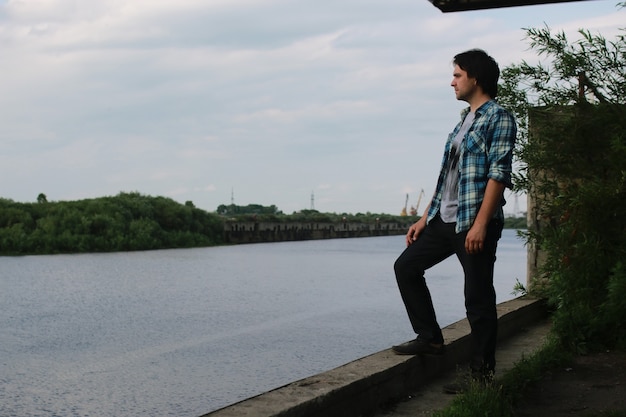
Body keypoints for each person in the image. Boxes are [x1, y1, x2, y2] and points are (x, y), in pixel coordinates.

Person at [392, 49, 517, 388]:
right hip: (443, 221)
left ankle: (481, 375)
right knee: (406, 267)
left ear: (475, 77)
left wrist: (480, 224)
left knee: (477, 298)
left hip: (473, 223)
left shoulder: (499, 117)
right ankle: (430, 338)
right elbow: (446, 175)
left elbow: (498, 174)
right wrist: (423, 219)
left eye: (457, 75)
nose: (452, 82)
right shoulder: (462, 121)